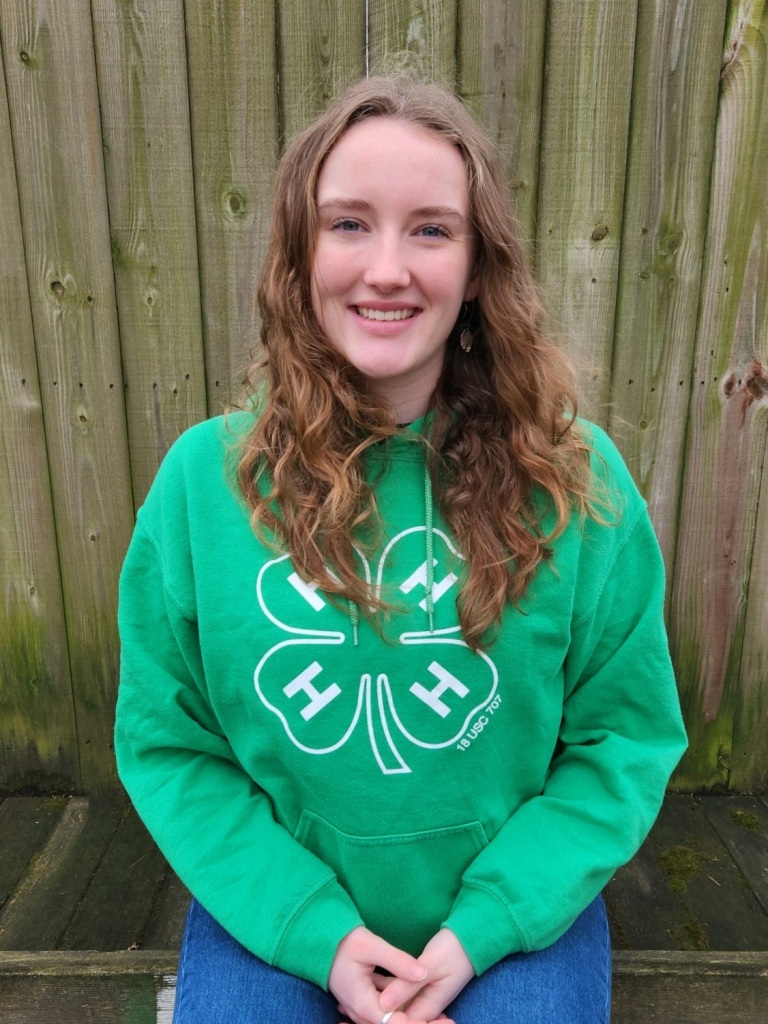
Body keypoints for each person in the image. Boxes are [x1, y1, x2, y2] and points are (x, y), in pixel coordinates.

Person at [115, 74, 687, 1024]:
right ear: (299, 253)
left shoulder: (574, 483)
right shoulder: (200, 487)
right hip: (276, 901)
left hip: (513, 909)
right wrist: (314, 932)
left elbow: (622, 740)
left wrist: (485, 927)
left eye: (430, 230)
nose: (387, 269)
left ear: (478, 265)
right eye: (348, 224)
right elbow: (170, 745)